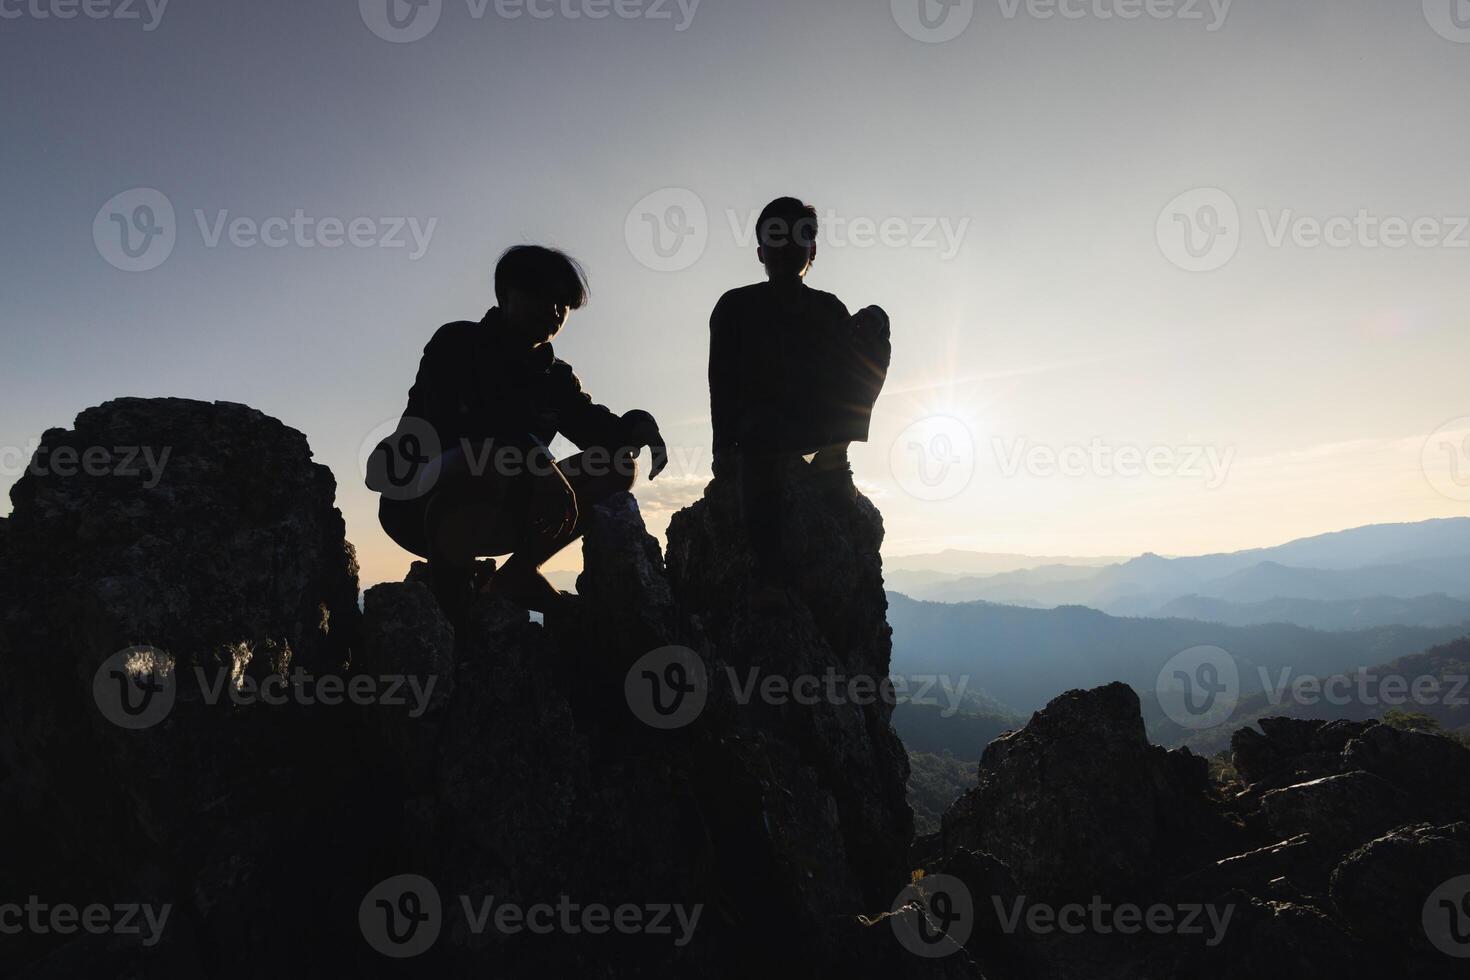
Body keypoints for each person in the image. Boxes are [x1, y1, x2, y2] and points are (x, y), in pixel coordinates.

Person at [370, 245, 667, 617]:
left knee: (616, 467)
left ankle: (514, 577)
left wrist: (638, 425)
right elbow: (459, 430)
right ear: (506, 295)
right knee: (485, 463)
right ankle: (453, 608)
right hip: (423, 506)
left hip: (509, 509)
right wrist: (537, 461)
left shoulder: (555, 377)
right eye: (542, 296)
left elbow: (595, 428)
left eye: (564, 303)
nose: (555, 311)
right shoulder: (457, 344)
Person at [708, 197, 891, 597]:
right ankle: (770, 569)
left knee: (874, 330)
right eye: (777, 235)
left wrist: (876, 316)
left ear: (813, 250)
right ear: (760, 251)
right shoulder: (735, 306)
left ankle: (833, 458)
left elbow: (853, 364)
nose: (788, 245)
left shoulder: (827, 308)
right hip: (757, 429)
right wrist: (723, 445)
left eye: (800, 235)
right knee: (759, 437)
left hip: (814, 422)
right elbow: (719, 378)